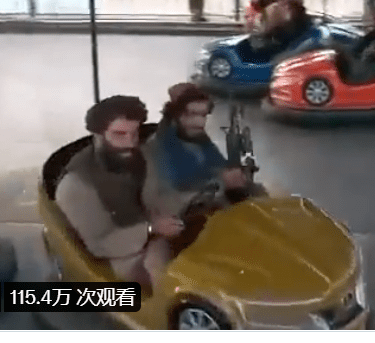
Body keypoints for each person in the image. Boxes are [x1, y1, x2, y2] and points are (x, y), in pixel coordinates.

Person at [55, 95, 180, 293]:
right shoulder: (76, 184)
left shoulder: (142, 156)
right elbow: (100, 243)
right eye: (119, 134)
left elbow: (161, 193)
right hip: (121, 254)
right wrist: (150, 229)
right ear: (99, 135)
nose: (130, 143)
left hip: (159, 231)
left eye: (135, 133)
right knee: (172, 270)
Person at [142, 83, 248, 219]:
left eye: (203, 115)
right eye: (192, 114)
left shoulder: (199, 139)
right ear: (177, 115)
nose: (200, 122)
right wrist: (222, 182)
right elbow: (167, 192)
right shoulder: (158, 147)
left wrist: (233, 175)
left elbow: (218, 164)